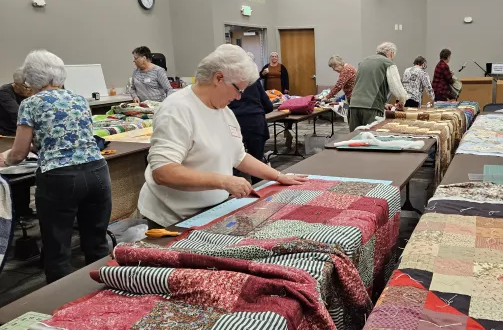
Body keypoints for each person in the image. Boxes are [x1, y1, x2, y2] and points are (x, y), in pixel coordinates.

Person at [138, 44, 307, 228]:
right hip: (173, 218)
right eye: (238, 90)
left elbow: (239, 156)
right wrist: (224, 181)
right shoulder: (176, 109)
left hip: (209, 211)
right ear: (219, 78)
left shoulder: (224, 111)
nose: (239, 98)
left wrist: (278, 176)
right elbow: (163, 172)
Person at [0, 50, 112, 283]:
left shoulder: (30, 104)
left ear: (31, 77)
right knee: (97, 242)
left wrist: (6, 159)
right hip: (97, 172)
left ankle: (62, 305)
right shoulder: (78, 98)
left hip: (60, 178)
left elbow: (19, 153)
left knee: (57, 249)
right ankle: (105, 293)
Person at [228, 52, 273, 184]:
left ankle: (232, 193)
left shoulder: (227, 81)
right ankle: (258, 191)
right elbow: (268, 106)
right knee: (256, 160)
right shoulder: (253, 80)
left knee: (233, 161)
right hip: (255, 122)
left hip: (234, 123)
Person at [348, 42, 408, 131]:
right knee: (370, 137)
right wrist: (402, 102)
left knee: (353, 138)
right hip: (372, 107)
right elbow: (397, 88)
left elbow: (363, 86)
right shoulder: (388, 63)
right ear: (391, 53)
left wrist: (383, 104)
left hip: (354, 104)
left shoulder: (364, 61)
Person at [0, 68, 34, 224]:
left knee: (26, 171)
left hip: (21, 134)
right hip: (6, 137)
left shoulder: (28, 94)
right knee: (14, 172)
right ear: (17, 84)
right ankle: (14, 213)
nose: (29, 91)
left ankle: (24, 210)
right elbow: (18, 114)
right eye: (26, 87)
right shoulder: (5, 93)